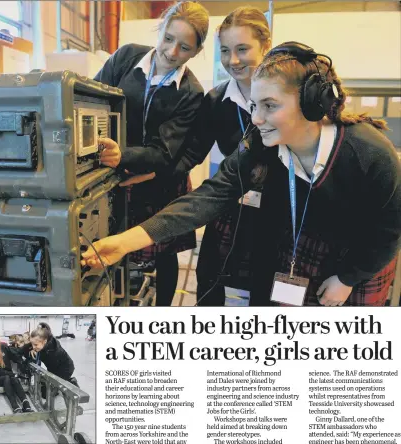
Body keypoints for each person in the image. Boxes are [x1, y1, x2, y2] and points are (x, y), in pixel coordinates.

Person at [83, 41, 401, 307]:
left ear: (312, 103)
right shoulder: (262, 143)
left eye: (270, 106)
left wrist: (347, 278)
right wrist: (125, 241)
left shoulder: (369, 153)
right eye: (254, 106)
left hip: (360, 254)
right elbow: (211, 196)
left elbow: (389, 230)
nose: (258, 119)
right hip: (298, 248)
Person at [94, 1, 210, 306]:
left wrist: (125, 157)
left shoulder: (191, 93)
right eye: (169, 39)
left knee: (163, 250)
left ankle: (163, 312)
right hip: (111, 168)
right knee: (115, 240)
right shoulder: (126, 57)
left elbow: (164, 152)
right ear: (160, 29)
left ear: (196, 52)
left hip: (161, 179)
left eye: (184, 47)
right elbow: (91, 95)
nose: (172, 52)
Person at [174, 7, 271, 306]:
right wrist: (155, 173)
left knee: (266, 288)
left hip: (276, 209)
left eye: (243, 49)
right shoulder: (216, 100)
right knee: (209, 279)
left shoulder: (287, 96)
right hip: (231, 202)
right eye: (225, 50)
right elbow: (192, 151)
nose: (233, 60)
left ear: (266, 46)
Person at [21, 323, 78, 396]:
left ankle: (71, 382)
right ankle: (63, 382)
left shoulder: (52, 351)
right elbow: (24, 349)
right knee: (44, 389)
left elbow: (54, 372)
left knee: (46, 394)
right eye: (32, 344)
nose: (33, 346)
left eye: (35, 345)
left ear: (44, 341)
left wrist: (54, 385)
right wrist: (31, 349)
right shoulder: (39, 342)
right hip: (53, 368)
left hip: (65, 369)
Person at [0, 335, 32, 414]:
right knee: (7, 377)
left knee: (13, 379)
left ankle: (26, 403)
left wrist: (30, 345)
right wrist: (15, 374)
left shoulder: (3, 347)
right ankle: (14, 405)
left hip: (9, 375)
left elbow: (16, 353)